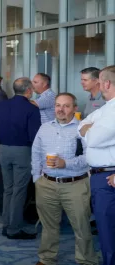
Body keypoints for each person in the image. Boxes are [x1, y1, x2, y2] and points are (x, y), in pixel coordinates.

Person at [31, 93, 96, 265]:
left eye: (66, 106)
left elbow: (90, 157)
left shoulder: (83, 129)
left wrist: (65, 163)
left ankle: (86, 260)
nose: (61, 109)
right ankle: (46, 258)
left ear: (75, 109)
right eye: (58, 105)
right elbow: (36, 154)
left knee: (81, 227)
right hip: (46, 184)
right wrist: (37, 178)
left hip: (75, 184)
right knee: (49, 226)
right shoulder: (44, 128)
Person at [0, 77, 41, 240]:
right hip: (22, 151)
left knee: (9, 189)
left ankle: (7, 224)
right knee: (19, 190)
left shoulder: (2, 105)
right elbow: (35, 135)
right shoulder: (31, 109)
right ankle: (14, 227)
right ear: (28, 90)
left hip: (4, 149)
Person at [78, 65, 115, 265]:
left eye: (99, 81)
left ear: (106, 84)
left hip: (109, 177)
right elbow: (80, 127)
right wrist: (88, 129)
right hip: (101, 177)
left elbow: (93, 138)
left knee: (109, 233)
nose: (98, 85)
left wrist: (88, 130)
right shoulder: (106, 107)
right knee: (106, 233)